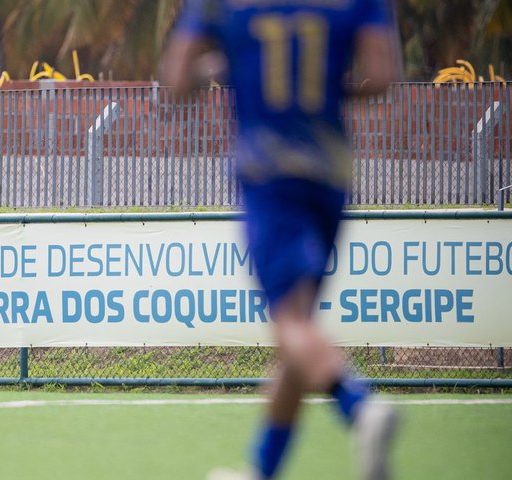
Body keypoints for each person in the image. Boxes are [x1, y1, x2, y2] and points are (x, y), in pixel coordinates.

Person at [161, 1, 400, 479]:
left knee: (289, 322)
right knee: (298, 329)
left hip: (269, 173)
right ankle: (262, 469)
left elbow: (176, 84)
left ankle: (359, 407)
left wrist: (227, 68)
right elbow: (382, 76)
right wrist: (324, 92)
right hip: (331, 174)